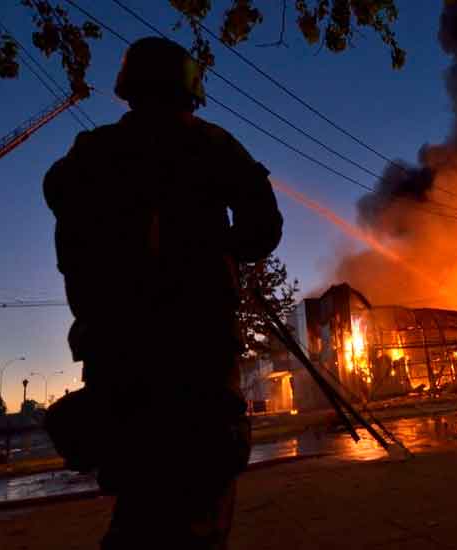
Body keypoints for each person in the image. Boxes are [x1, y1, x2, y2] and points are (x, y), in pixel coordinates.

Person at [43, 36, 283, 549]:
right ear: (189, 88)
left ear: (128, 87)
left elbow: (56, 193)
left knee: (140, 501)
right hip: (196, 354)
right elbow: (263, 227)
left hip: (115, 358)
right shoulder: (209, 145)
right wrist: (215, 246)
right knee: (201, 504)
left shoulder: (92, 153)